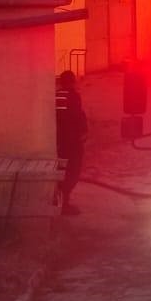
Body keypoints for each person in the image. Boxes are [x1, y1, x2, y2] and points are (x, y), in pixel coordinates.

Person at [54, 70, 88, 216]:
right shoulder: (74, 96)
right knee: (72, 172)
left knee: (62, 171)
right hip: (72, 142)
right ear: (73, 82)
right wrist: (83, 133)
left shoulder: (56, 96)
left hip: (60, 142)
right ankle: (64, 204)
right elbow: (77, 117)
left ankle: (60, 200)